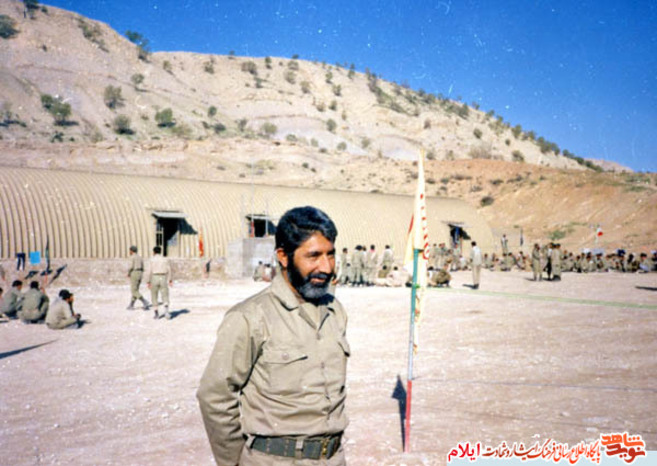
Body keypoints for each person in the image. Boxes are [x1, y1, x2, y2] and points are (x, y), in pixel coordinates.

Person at [197, 206, 349, 465]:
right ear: (283, 256)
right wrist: (234, 462)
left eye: (330, 254)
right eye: (313, 256)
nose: (326, 267)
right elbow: (215, 396)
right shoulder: (250, 317)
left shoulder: (335, 311)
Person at [148, 246, 172, 320]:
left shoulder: (152, 259)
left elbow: (149, 271)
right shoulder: (165, 259)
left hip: (154, 277)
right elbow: (169, 270)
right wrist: (170, 279)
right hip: (163, 277)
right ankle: (166, 311)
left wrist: (148, 281)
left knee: (154, 296)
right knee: (165, 295)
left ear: (154, 252)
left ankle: (156, 314)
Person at [127, 245, 150, 310]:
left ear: (131, 251)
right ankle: (131, 305)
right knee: (136, 290)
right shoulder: (140, 257)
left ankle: (144, 301)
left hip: (134, 272)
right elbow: (143, 267)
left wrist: (128, 273)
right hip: (140, 273)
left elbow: (131, 266)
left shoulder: (132, 257)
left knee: (134, 290)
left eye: (130, 251)